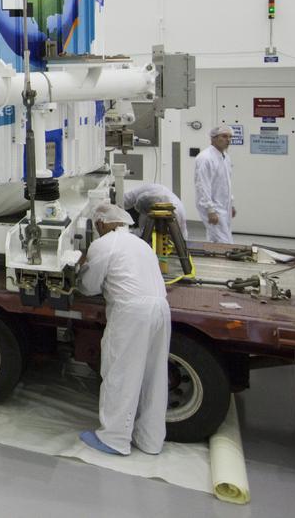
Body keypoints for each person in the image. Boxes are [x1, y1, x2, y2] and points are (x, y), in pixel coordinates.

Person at [75, 202, 171, 456]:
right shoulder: (142, 244)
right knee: (153, 376)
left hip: (132, 312)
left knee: (121, 373)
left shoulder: (104, 244)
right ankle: (150, 440)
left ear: (101, 223)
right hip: (161, 309)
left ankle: (114, 439)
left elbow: (89, 286)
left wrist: (80, 270)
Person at [194, 125, 236, 244]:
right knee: (223, 240)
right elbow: (202, 185)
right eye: (224, 136)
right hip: (212, 205)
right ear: (213, 138)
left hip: (223, 204)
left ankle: (213, 253)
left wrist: (231, 204)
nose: (228, 140)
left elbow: (225, 183)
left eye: (230, 137)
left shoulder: (225, 157)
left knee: (217, 237)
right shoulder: (205, 158)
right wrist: (210, 210)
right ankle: (224, 255)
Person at [123, 182, 187, 239]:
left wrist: (129, 233)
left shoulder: (174, 213)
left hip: (175, 236)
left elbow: (145, 234)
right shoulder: (146, 189)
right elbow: (124, 199)